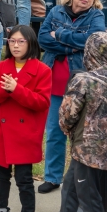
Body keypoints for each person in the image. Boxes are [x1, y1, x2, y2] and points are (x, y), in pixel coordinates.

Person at [36, 0, 105, 195]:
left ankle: (79, 180)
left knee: (82, 136)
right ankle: (52, 177)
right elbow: (42, 39)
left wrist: (61, 36)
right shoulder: (56, 11)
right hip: (55, 81)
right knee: (55, 131)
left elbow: (92, 42)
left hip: (84, 86)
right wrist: (72, 44)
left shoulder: (97, 15)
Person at [0, 25, 51, 212]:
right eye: (12, 41)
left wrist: (16, 89)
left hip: (24, 135)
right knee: (1, 177)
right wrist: (4, 90)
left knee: (24, 179)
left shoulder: (43, 70)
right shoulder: (0, 67)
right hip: (0, 133)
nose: (16, 45)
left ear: (31, 43)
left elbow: (42, 102)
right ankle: (0, 208)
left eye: (21, 41)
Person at [58, 32, 107, 212]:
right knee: (71, 190)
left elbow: (67, 116)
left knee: (90, 203)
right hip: (91, 155)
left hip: (87, 154)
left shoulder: (84, 80)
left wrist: (66, 128)